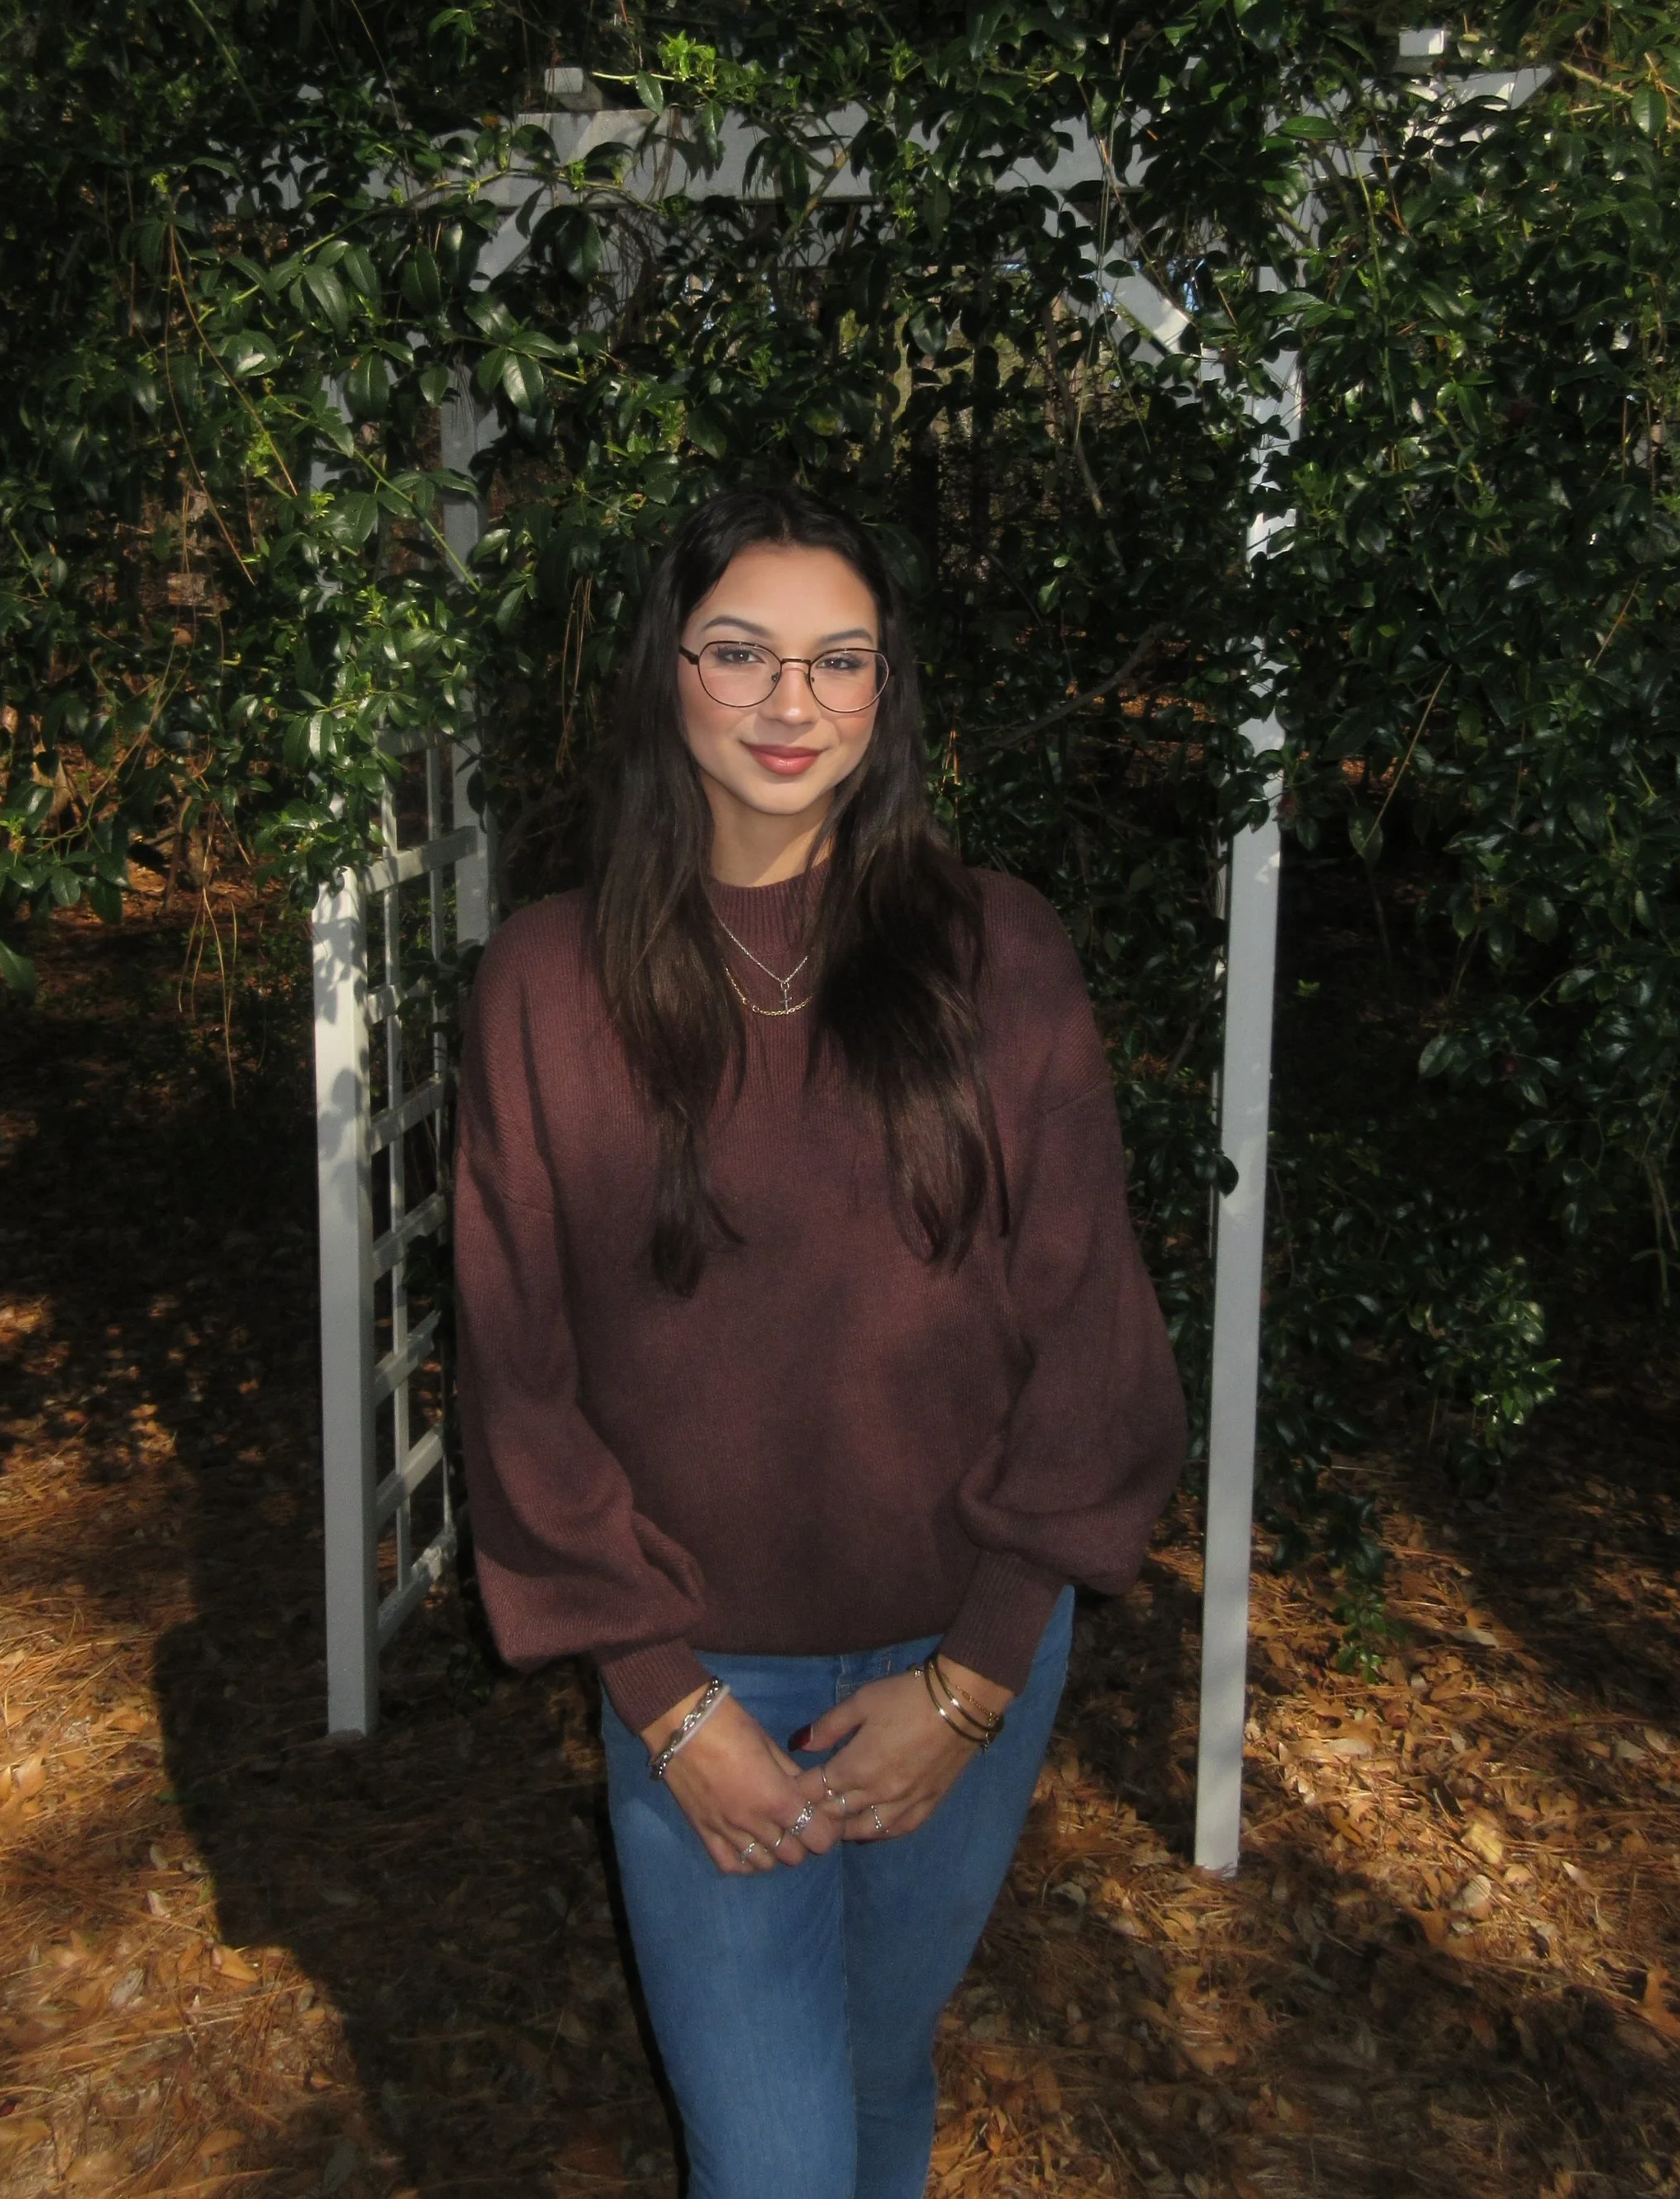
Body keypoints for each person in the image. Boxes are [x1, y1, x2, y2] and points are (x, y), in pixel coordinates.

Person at [452, 483, 1185, 2199]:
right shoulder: (547, 983)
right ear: (665, 677)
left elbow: (1090, 1329)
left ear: (884, 694)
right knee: (772, 2160)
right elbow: (515, 1363)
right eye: (741, 653)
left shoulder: (994, 948)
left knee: (874, 2070)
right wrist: (656, 1691)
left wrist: (978, 1670)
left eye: (835, 661)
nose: (790, 705)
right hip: (701, 1682)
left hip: (965, 1659)